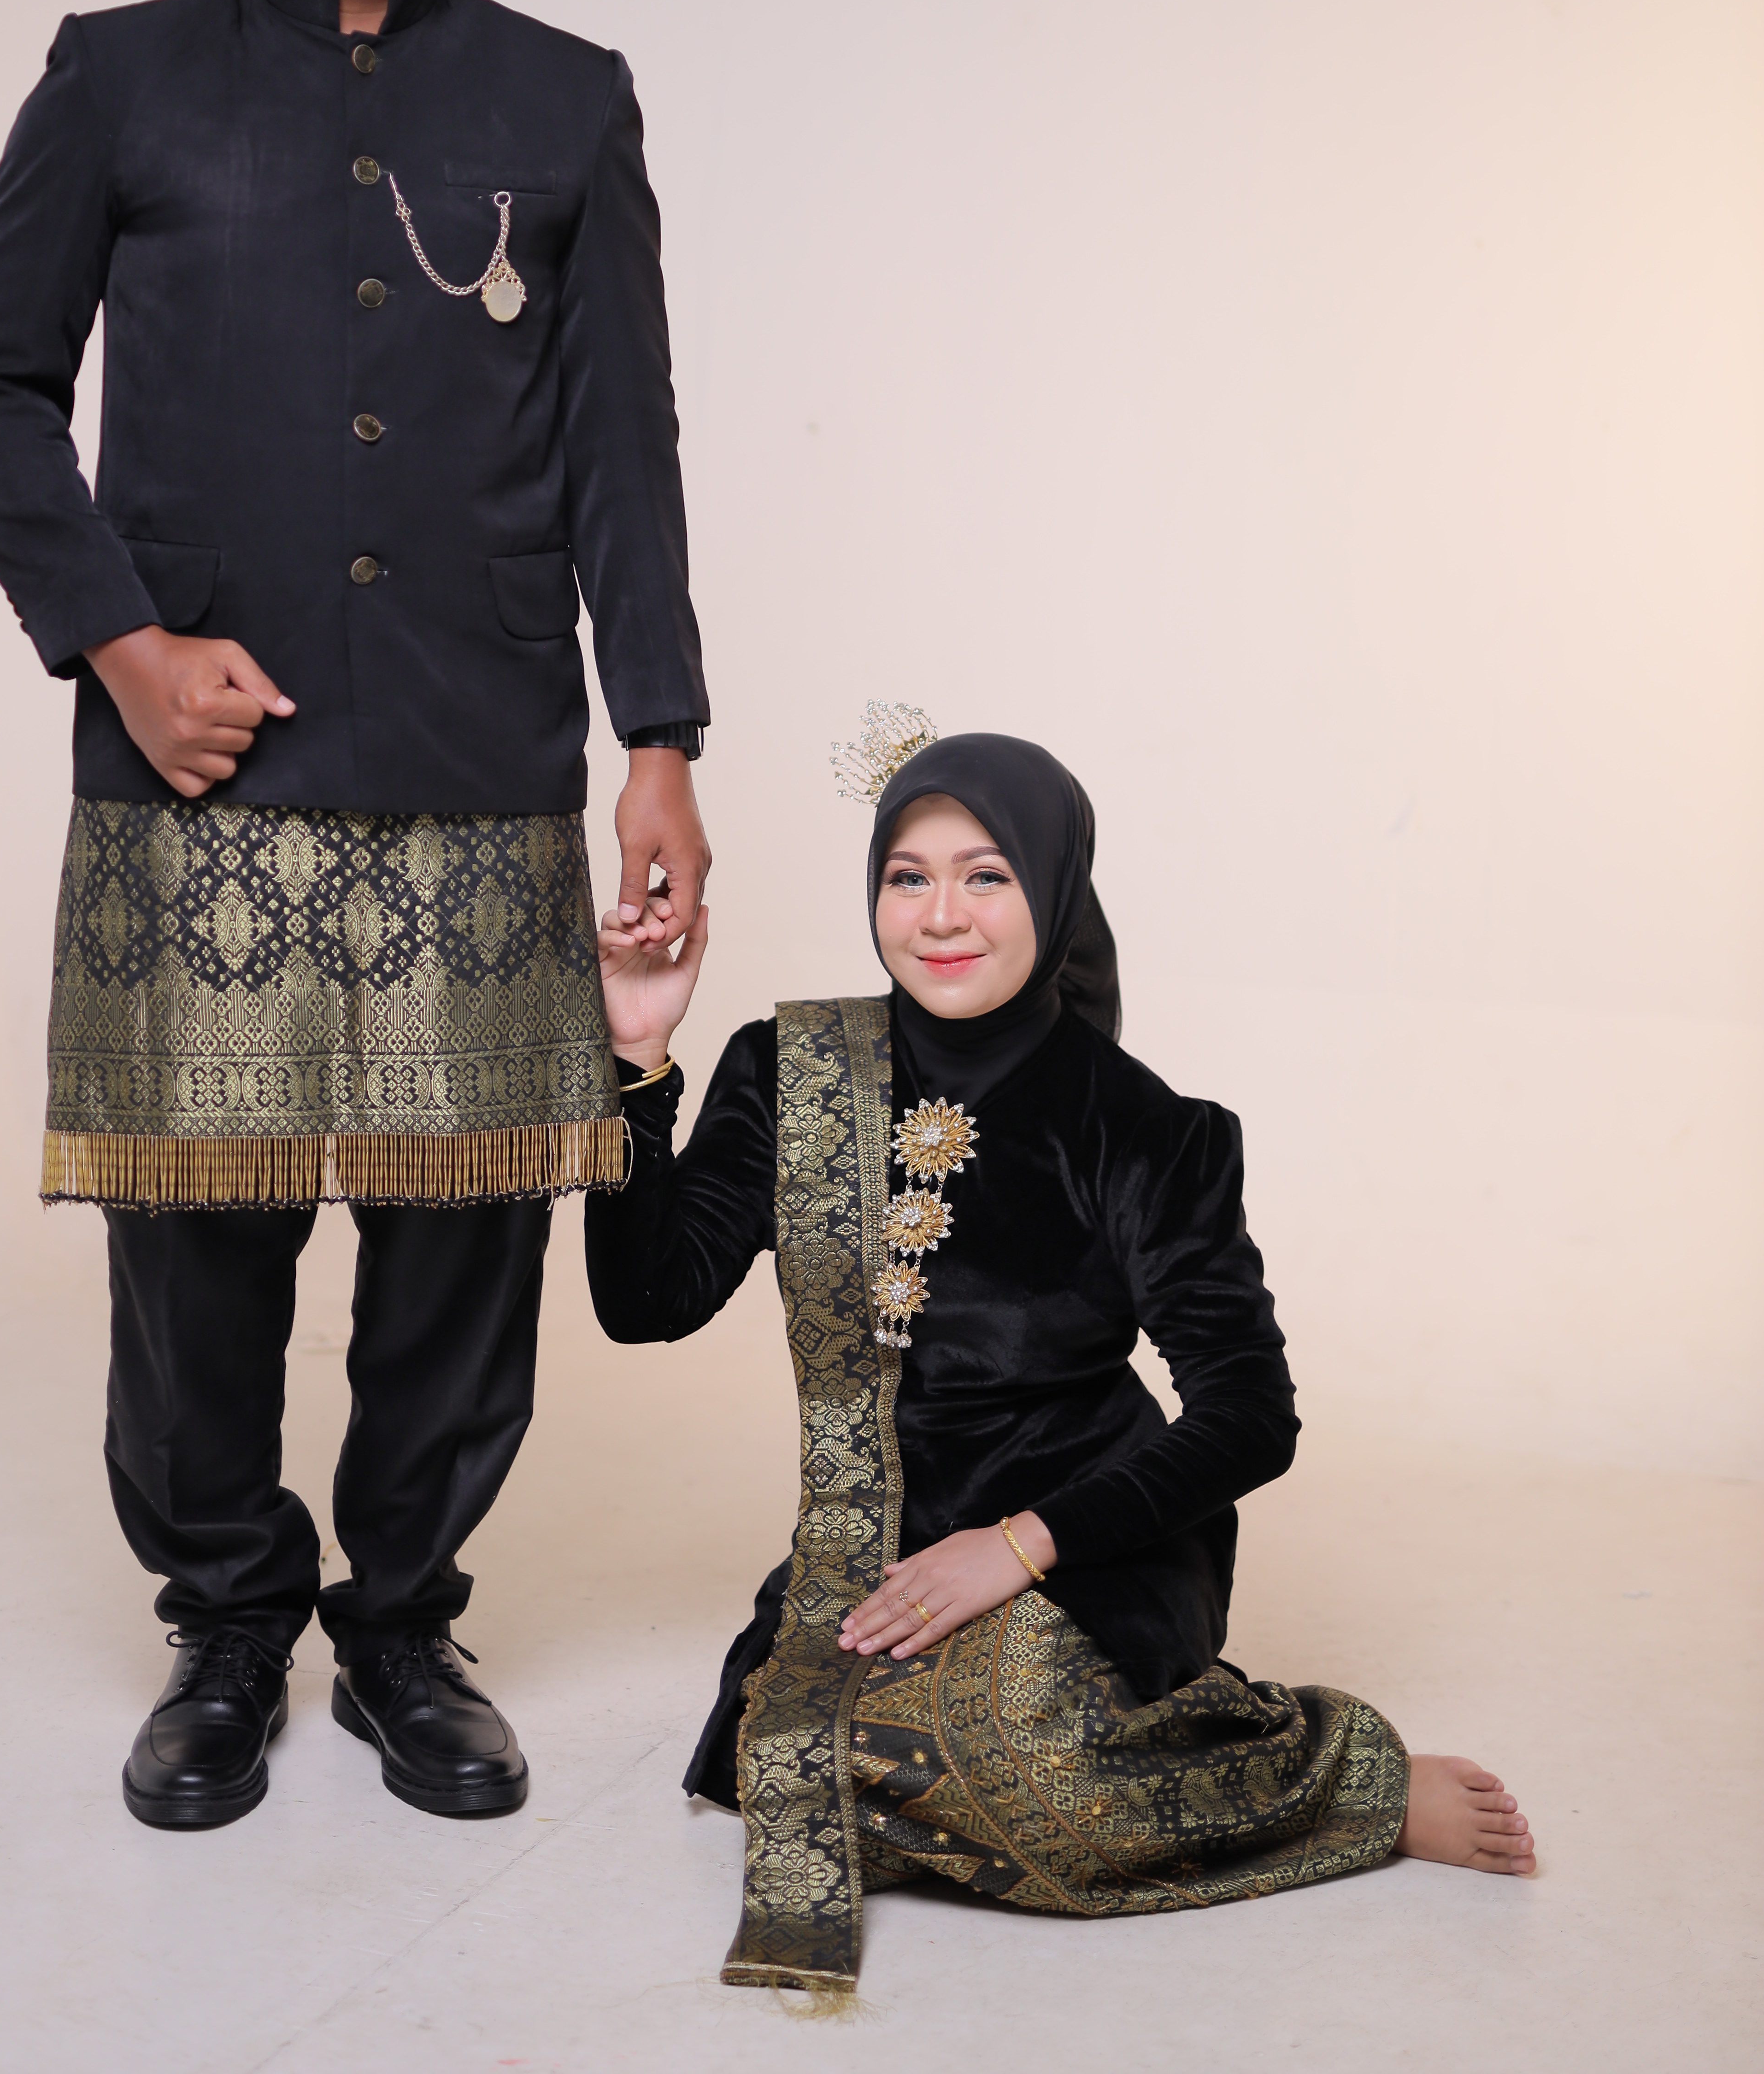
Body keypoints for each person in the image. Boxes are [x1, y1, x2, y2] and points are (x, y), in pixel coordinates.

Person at [0, 0, 711, 1832]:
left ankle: (401, 1623)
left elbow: (622, 444)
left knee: (468, 1229)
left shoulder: (564, 96)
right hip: (202, 761)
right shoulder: (121, 76)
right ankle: (222, 1622)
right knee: (198, 1234)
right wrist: (120, 644)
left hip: (480, 736)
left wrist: (657, 732)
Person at [586, 723, 1534, 1993]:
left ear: (1053, 886)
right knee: (779, 1756)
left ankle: (1346, 1776)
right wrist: (637, 1057)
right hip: (881, 1550)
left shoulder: (1143, 1130)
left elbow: (1251, 1416)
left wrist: (1021, 1545)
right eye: (909, 877)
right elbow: (647, 1302)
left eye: (986, 876)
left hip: (1096, 1541)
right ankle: (1146, 1754)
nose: (941, 915)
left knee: (1031, 1768)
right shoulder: (792, 1071)